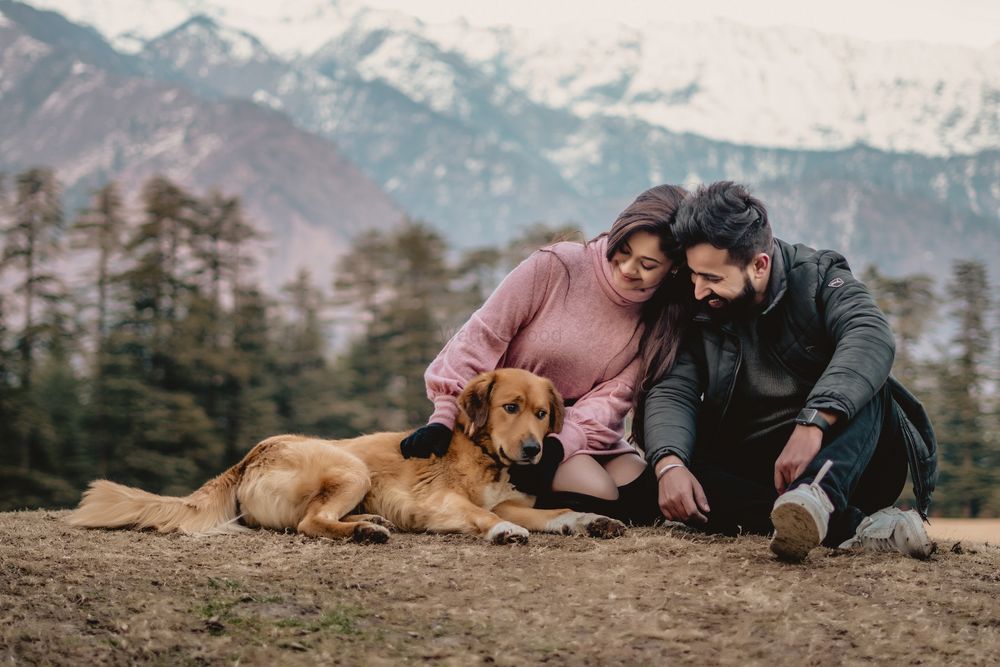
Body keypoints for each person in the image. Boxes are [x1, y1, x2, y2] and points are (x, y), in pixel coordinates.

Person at [643, 181, 937, 561]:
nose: (699, 290)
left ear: (759, 265)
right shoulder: (699, 303)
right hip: (763, 466)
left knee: (870, 382)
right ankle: (858, 529)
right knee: (682, 473)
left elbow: (870, 334)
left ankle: (820, 496)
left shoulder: (818, 276)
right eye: (695, 276)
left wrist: (814, 421)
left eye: (713, 278)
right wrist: (669, 465)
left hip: (849, 456)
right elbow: (672, 388)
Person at [400, 185, 691, 520]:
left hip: (581, 431)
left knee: (646, 498)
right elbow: (481, 337)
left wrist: (558, 445)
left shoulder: (662, 317)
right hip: (512, 423)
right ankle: (509, 508)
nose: (626, 268)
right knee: (602, 494)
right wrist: (444, 415)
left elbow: (612, 398)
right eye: (623, 250)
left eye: (647, 264)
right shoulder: (558, 266)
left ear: (672, 268)